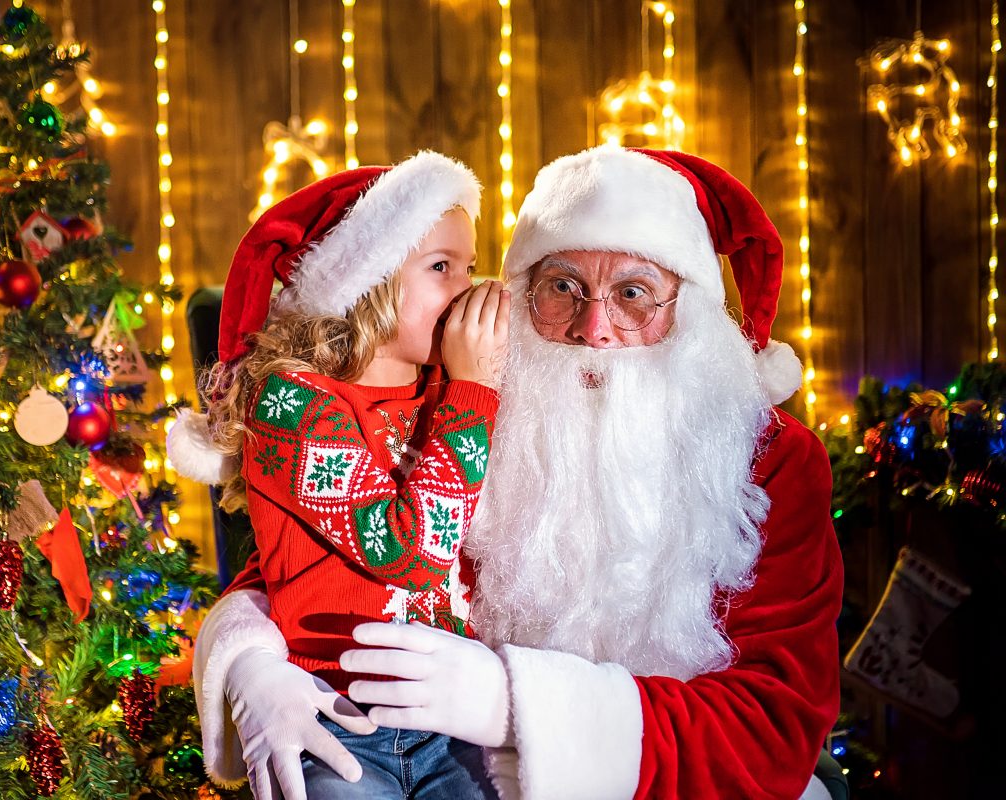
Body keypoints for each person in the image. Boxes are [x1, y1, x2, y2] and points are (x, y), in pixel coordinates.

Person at [183, 146, 843, 800]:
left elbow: (774, 727)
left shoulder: (768, 461)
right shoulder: (481, 412)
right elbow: (308, 550)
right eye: (563, 287)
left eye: (634, 294)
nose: (594, 328)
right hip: (450, 764)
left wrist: (513, 704)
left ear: (688, 310)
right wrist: (249, 663)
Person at [168, 151, 508, 799]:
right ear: (369, 280)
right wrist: (473, 393)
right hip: (338, 720)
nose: (467, 290)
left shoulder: (455, 390)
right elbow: (404, 553)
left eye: (469, 266)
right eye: (441, 268)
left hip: (455, 720)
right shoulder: (291, 404)